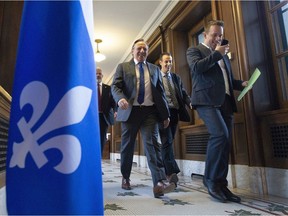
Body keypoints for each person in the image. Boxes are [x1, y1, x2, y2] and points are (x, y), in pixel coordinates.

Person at [186, 20, 248, 203]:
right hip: (205, 100)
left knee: (226, 142)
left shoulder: (223, 56)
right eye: (214, 35)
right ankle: (210, 180)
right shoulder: (195, 50)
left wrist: (241, 84)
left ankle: (221, 184)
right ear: (205, 35)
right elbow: (197, 68)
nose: (218, 38)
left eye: (220, 35)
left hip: (226, 102)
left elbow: (226, 79)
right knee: (219, 135)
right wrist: (218, 54)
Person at [111, 39, 175, 198]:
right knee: (127, 146)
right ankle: (125, 176)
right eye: (138, 49)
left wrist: (165, 115)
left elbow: (160, 93)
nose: (141, 52)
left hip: (149, 112)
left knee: (153, 144)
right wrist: (120, 99)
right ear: (133, 51)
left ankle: (158, 183)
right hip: (130, 112)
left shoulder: (154, 69)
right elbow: (115, 86)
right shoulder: (123, 67)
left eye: (144, 50)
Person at [158, 52, 192, 186]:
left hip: (175, 112)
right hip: (163, 113)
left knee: (169, 141)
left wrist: (189, 102)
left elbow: (183, 93)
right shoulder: (156, 77)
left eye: (170, 61)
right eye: (166, 61)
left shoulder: (176, 78)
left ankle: (165, 170)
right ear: (160, 62)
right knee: (166, 141)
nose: (168, 64)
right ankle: (170, 173)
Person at [96, 67, 117, 161]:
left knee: (101, 141)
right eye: (96, 73)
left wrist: (116, 111)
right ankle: (90, 164)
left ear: (102, 75)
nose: (98, 75)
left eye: (99, 73)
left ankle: (99, 165)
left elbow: (114, 102)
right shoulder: (88, 87)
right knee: (90, 141)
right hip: (91, 119)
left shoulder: (108, 88)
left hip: (103, 118)